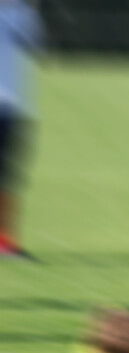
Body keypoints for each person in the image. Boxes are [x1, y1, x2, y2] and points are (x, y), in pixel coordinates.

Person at [0, 0, 43, 259]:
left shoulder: (23, 13)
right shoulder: (24, 13)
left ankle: (5, 241)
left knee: (8, 178)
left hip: (15, 106)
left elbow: (35, 46)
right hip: (13, 105)